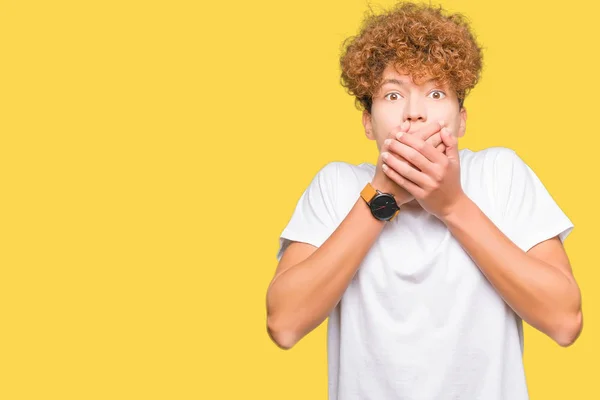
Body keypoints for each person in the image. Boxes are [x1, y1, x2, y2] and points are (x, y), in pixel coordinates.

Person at [265, 2, 583, 399]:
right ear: (368, 122)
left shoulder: (501, 174)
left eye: (435, 92)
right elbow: (284, 324)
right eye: (393, 95)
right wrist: (383, 196)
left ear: (461, 119)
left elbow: (565, 321)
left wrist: (451, 206)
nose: (414, 113)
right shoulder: (336, 186)